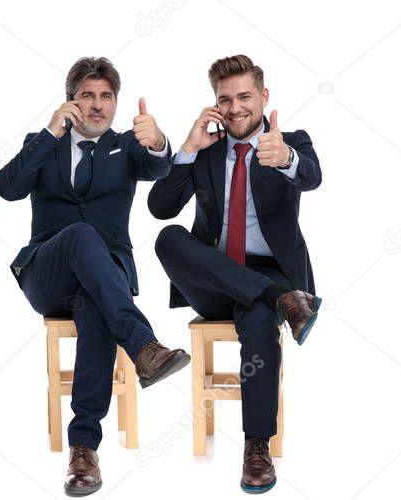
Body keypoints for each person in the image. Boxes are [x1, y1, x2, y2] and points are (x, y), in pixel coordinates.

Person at [0, 56, 190, 497]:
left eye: (106, 96)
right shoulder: (42, 144)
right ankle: (143, 346)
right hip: (46, 272)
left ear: (116, 102)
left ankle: (83, 450)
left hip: (104, 284)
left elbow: (159, 166)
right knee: (81, 234)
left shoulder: (127, 146)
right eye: (87, 95)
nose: (97, 105)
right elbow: (8, 188)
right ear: (70, 102)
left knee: (96, 308)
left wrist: (158, 141)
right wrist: (49, 134)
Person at [149, 54, 322, 494]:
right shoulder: (206, 151)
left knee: (261, 321)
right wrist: (187, 149)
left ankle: (256, 446)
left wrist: (284, 158)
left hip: (270, 272)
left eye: (245, 96)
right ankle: (282, 300)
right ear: (215, 104)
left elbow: (312, 176)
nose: (235, 107)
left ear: (263, 97)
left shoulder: (290, 141)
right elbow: (159, 207)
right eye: (225, 99)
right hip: (213, 280)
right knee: (169, 237)